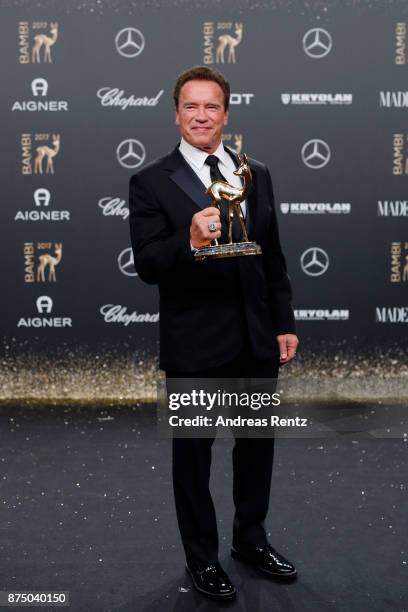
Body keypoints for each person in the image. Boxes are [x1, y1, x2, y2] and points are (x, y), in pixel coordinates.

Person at [129, 66, 299, 601]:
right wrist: (191, 238)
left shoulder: (257, 172)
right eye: (190, 106)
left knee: (256, 450)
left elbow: (273, 255)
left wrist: (284, 323)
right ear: (176, 113)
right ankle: (201, 558)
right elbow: (149, 263)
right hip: (196, 346)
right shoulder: (152, 180)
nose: (201, 115)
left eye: (212, 106)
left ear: (226, 113)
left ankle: (250, 540)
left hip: (255, 338)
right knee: (193, 459)